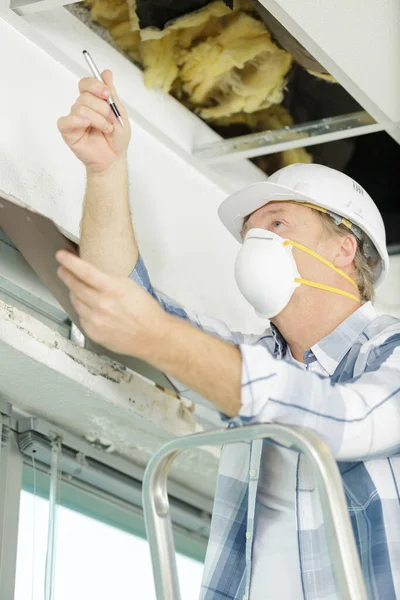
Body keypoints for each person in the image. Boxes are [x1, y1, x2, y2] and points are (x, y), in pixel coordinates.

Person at [57, 71, 400, 600]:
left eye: (278, 224)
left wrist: (163, 338)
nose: (256, 242)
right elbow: (124, 301)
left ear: (343, 249)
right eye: (250, 235)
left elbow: (346, 423)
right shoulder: (251, 358)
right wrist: (105, 169)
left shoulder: (390, 351)